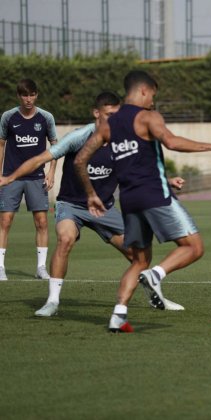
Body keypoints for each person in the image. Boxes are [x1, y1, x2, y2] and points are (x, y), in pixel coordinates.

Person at [74, 70, 211, 332]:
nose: (153, 102)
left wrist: (90, 194)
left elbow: (80, 160)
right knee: (194, 247)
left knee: (139, 261)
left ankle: (118, 315)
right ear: (144, 91)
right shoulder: (147, 117)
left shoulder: (107, 125)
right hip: (154, 195)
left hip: (129, 201)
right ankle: (156, 275)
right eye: (153, 96)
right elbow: (171, 142)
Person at [0, 91, 184, 316]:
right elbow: (41, 158)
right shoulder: (79, 137)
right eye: (109, 115)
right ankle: (52, 302)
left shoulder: (123, 140)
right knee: (65, 239)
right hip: (71, 205)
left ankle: (157, 297)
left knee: (139, 256)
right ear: (96, 113)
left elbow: (139, 171)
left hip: (103, 208)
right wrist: (9, 178)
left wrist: (166, 180)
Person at [0, 79, 58, 281]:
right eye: (25, 95)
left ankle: (41, 268)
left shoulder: (46, 118)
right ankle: (0, 267)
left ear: (37, 95)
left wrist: (51, 173)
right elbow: (1, 145)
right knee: (5, 221)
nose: (28, 99)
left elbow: (54, 146)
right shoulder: (8, 117)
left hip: (36, 177)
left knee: (42, 222)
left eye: (32, 94)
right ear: (19, 96)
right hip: (11, 178)